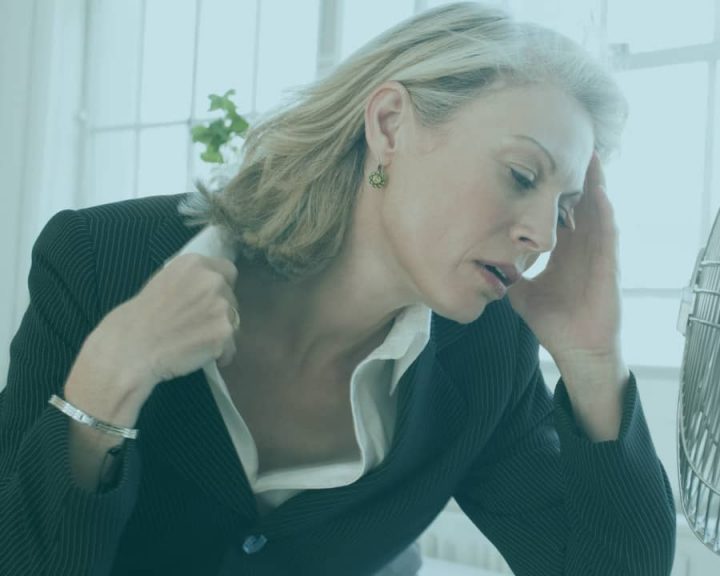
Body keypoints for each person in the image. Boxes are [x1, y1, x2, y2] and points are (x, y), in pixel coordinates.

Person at [0, 3, 676, 574]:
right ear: (389, 126)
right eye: (523, 177)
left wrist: (592, 360)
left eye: (563, 209)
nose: (544, 235)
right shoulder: (99, 261)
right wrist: (107, 382)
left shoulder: (488, 352)